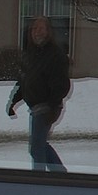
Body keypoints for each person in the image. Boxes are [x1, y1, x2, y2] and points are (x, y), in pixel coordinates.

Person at [7, 15, 70, 173]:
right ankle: (61, 175)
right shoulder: (31, 55)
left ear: (48, 32)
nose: (37, 32)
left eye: (41, 28)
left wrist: (52, 105)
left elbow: (62, 84)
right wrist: (13, 102)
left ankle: (39, 181)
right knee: (40, 145)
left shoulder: (55, 55)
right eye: (34, 29)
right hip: (36, 107)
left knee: (36, 148)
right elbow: (24, 82)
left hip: (46, 107)